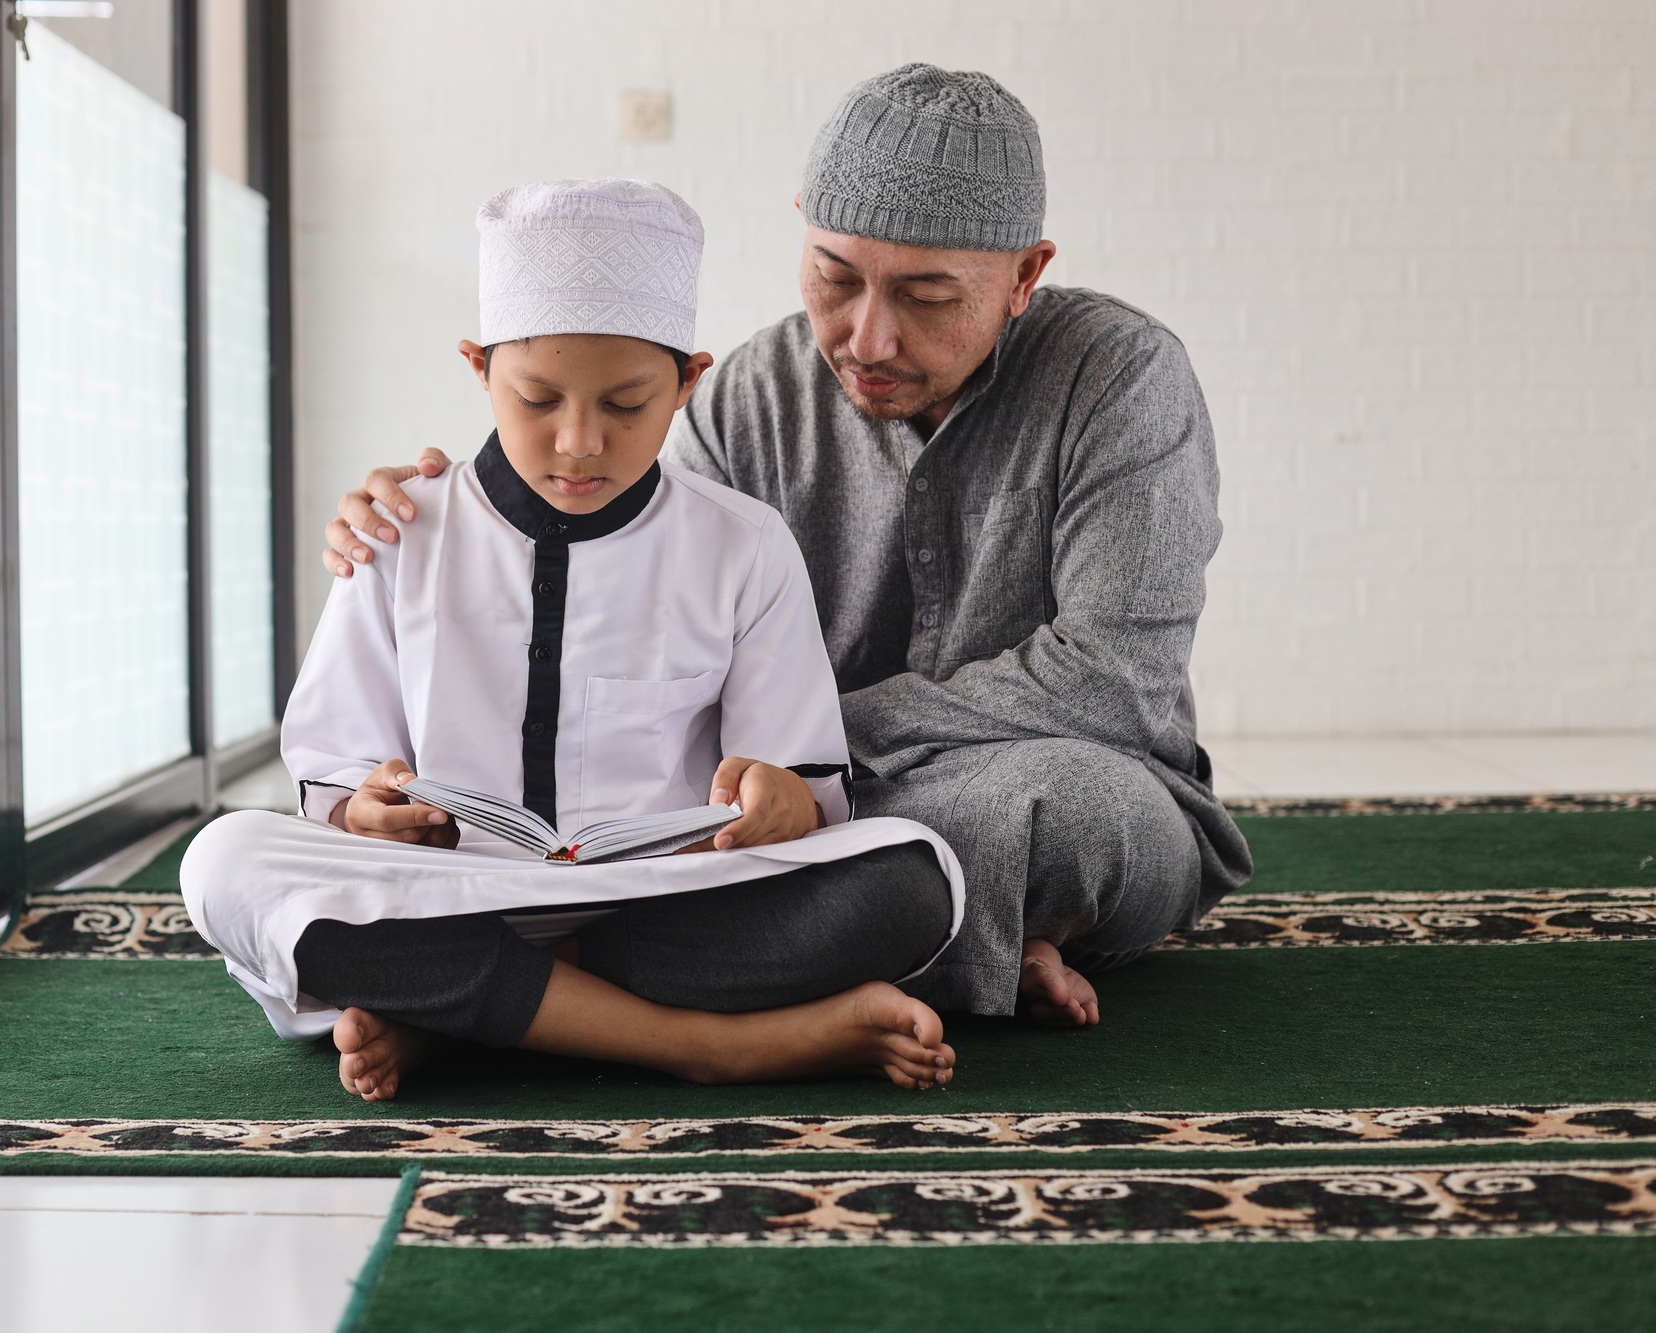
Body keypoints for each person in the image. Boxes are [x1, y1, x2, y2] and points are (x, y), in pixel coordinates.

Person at [324, 65, 1255, 1027]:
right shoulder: (748, 393)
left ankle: (523, 987)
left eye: (929, 296)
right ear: (802, 224)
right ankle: (919, 955)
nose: (869, 337)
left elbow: (1112, 681)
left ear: (1025, 276)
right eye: (835, 277)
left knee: (1065, 809)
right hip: (778, 818)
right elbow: (634, 601)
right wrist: (459, 507)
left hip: (1001, 781)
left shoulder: (1123, 377)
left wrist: (814, 759)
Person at [183, 179, 965, 1104]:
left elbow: (803, 786)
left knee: (918, 877)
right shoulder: (403, 527)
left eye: (628, 404)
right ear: (479, 368)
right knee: (224, 862)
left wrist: (779, 800)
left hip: (660, 904)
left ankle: (460, 1014)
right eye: (538, 399)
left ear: (687, 382)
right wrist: (364, 811)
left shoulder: (744, 543)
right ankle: (709, 1047)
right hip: (449, 892)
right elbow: (333, 771)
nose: (579, 441)